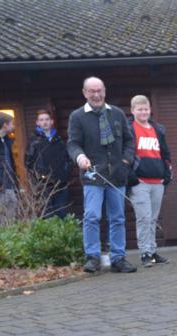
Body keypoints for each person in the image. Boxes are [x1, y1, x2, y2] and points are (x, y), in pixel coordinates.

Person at [67, 76, 136, 273]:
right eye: (92, 91)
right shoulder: (77, 116)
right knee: (92, 216)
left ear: (104, 92)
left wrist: (125, 161)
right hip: (92, 175)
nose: (96, 95)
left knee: (118, 218)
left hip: (117, 175)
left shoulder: (117, 113)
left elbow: (129, 141)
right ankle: (92, 257)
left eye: (99, 91)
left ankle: (118, 258)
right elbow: (73, 144)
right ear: (84, 93)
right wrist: (80, 157)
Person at [127, 95, 172, 268]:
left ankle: (153, 251)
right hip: (140, 182)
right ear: (133, 111)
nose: (143, 112)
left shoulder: (158, 129)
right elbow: (126, 154)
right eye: (140, 109)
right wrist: (131, 176)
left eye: (146, 109)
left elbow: (165, 153)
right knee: (144, 218)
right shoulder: (129, 129)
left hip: (157, 181)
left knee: (153, 218)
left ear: (150, 110)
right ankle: (145, 253)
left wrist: (167, 172)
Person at [24, 109, 72, 218]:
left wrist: (65, 174)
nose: (44, 122)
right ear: (37, 122)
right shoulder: (33, 142)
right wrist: (39, 176)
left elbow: (68, 159)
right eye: (41, 120)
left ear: (51, 121)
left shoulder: (59, 140)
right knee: (46, 214)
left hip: (61, 184)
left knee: (62, 214)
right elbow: (28, 162)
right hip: (43, 185)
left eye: (47, 119)